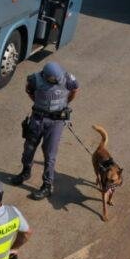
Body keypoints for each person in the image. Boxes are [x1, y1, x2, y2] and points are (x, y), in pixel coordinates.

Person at [10, 61, 79, 200]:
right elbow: (29, 91)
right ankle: (25, 172)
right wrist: (40, 105)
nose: (57, 82)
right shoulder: (35, 79)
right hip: (37, 119)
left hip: (56, 122)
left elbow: (75, 90)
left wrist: (65, 103)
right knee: (29, 148)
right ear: (46, 76)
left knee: (50, 154)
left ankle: (47, 186)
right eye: (53, 80)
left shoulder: (68, 79)